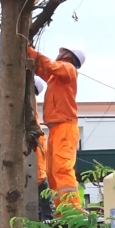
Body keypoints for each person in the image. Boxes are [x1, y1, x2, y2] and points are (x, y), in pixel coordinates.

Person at [0, 72, 52, 218]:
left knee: (38, 177)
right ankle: (39, 214)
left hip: (34, 141)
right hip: (26, 141)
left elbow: (3, 93)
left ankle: (47, 215)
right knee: (27, 178)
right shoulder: (19, 99)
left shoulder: (28, 99)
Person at [28, 45, 86, 214]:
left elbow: (50, 65)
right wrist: (31, 60)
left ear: (69, 55)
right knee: (52, 173)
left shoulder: (68, 68)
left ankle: (73, 209)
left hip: (65, 127)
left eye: (62, 52)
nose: (59, 53)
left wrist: (30, 50)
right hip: (56, 129)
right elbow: (43, 69)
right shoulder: (57, 77)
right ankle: (62, 212)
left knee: (62, 168)